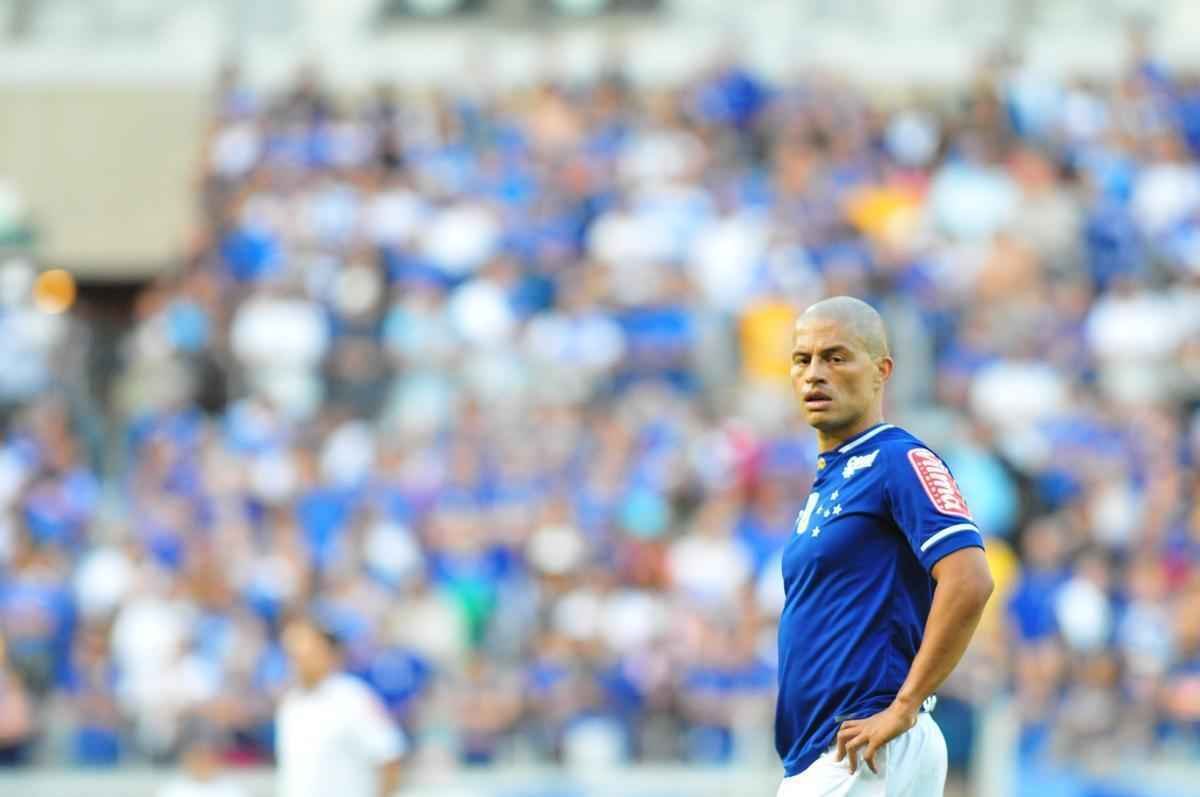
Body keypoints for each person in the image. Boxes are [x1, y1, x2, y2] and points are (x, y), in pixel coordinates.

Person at [775, 297, 994, 796]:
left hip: (863, 742)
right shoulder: (831, 482)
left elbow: (969, 579)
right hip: (831, 749)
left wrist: (903, 706)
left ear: (881, 371)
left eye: (835, 357)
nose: (815, 374)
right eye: (802, 359)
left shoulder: (899, 459)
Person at [276, 616, 406, 797]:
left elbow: (389, 756)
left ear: (328, 653)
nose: (298, 659)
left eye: (307, 651)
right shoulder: (291, 703)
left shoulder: (352, 698)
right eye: (292, 654)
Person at [157, 721, 248, 797]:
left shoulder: (233, 791)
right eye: (197, 755)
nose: (203, 762)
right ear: (186, 759)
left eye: (208, 756)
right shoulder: (171, 791)